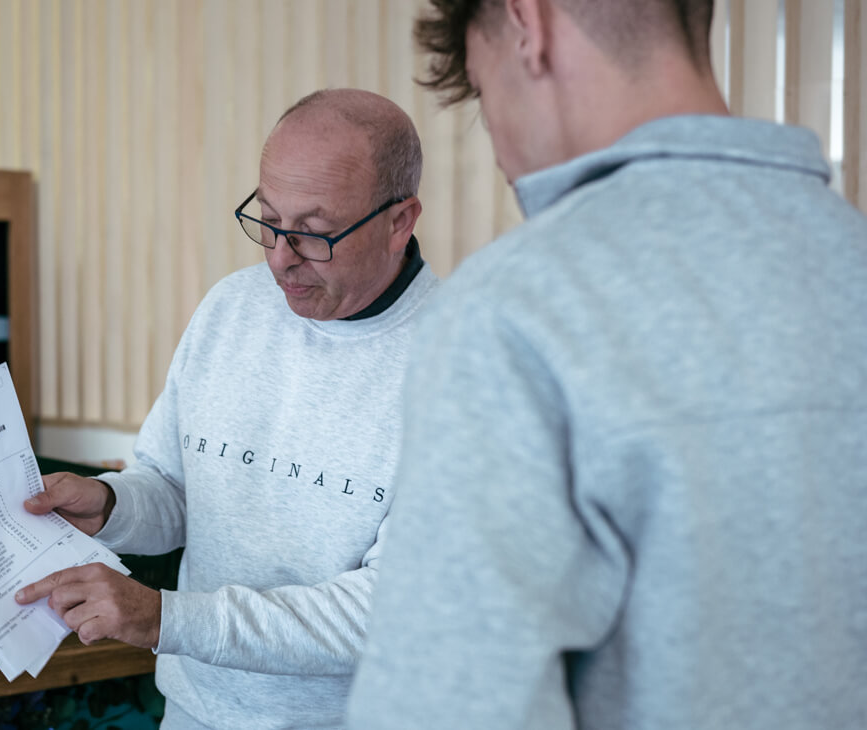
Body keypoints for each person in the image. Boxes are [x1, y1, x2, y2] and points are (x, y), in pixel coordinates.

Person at [350, 1, 867, 728]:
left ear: (528, 26)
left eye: (483, 92)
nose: (499, 152)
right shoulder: (850, 260)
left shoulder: (517, 307)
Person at [14, 88, 436, 728]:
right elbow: (176, 490)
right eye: (268, 220)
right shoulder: (230, 308)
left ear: (400, 220)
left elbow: (388, 610)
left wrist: (168, 619)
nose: (280, 259)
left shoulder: (459, 364)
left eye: (314, 233)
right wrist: (109, 505)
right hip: (193, 708)